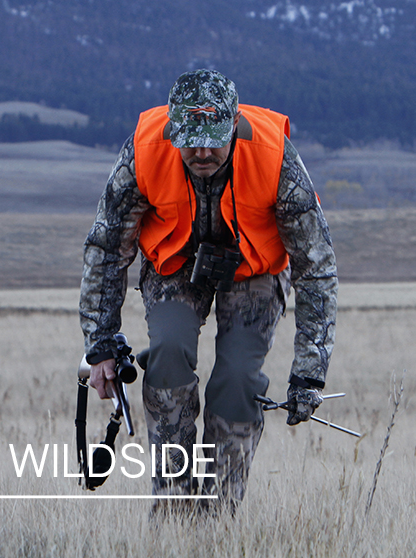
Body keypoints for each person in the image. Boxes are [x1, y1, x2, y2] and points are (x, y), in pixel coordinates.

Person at [78, 69, 337, 513]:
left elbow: (316, 265)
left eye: (212, 138)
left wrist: (309, 372)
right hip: (173, 265)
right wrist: (100, 345)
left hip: (254, 271)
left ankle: (217, 513)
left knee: (237, 380)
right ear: (172, 128)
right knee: (168, 356)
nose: (200, 150)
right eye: (189, 138)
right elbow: (106, 247)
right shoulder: (145, 150)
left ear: (234, 124)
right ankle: (174, 507)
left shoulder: (275, 156)